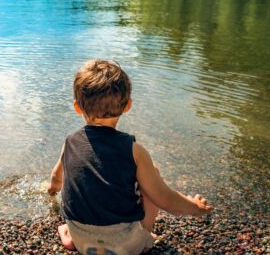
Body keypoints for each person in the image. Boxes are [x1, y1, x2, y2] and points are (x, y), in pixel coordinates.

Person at [47, 59, 214, 255]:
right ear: (127, 106)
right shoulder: (134, 150)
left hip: (82, 240)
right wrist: (196, 208)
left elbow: (56, 180)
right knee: (152, 176)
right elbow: (165, 199)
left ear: (77, 107)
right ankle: (145, 237)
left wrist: (51, 192)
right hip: (126, 246)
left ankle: (69, 235)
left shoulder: (69, 143)